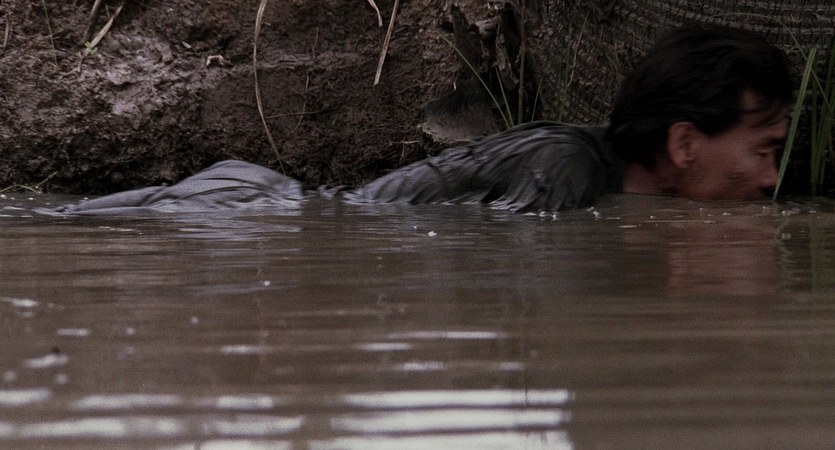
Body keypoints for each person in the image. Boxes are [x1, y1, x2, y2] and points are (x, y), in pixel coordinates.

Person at [53, 25, 793, 215]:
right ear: (684, 143)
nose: (769, 178)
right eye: (762, 151)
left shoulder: (612, 186)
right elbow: (496, 253)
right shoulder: (566, 167)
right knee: (56, 223)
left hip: (258, 208)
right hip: (252, 214)